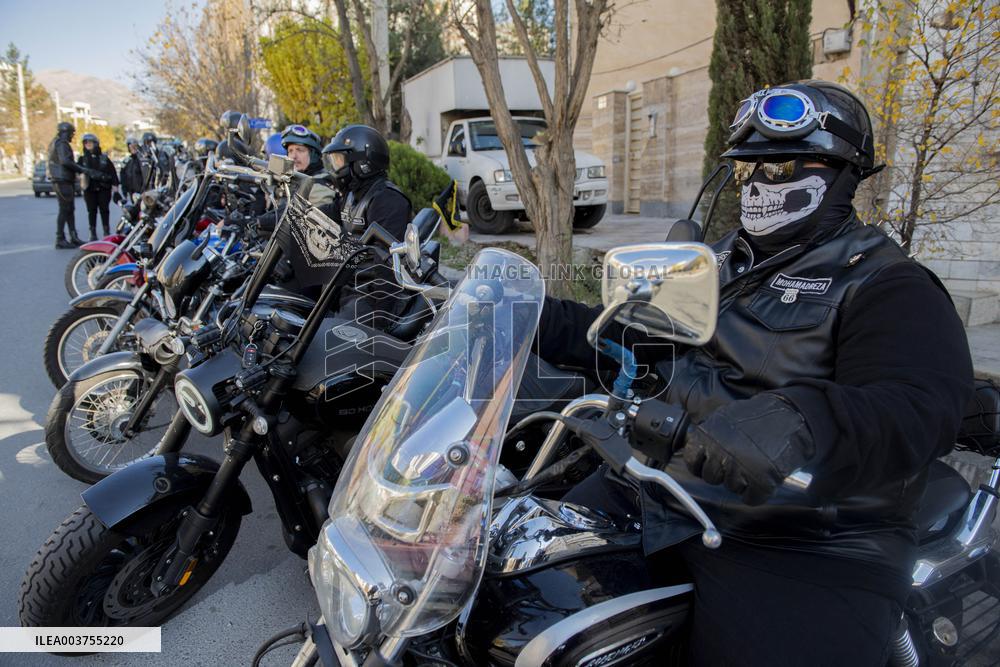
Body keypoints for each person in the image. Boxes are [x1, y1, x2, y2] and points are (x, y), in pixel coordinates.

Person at [536, 80, 974, 665]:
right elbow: (631, 334)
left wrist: (803, 417)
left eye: (784, 165)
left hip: (800, 536)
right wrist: (524, 315)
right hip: (664, 490)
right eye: (749, 170)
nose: (763, 183)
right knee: (522, 587)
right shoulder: (718, 262)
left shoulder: (885, 282)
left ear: (843, 172)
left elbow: (921, 402)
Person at [47, 121, 87, 248]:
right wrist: (81, 169)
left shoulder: (56, 142)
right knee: (65, 209)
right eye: (71, 133)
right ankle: (60, 238)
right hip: (62, 180)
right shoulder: (61, 144)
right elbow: (65, 161)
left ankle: (73, 236)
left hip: (63, 179)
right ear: (66, 132)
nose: (72, 136)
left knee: (69, 209)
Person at [76, 133, 119, 240]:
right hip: (89, 189)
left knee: (104, 210)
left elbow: (112, 172)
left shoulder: (104, 158)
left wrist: (115, 185)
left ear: (95, 143)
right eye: (86, 142)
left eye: (90, 142)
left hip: (104, 188)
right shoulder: (82, 159)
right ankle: (93, 232)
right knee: (92, 211)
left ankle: (106, 231)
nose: (88, 144)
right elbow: (77, 172)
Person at [118, 136, 145, 202]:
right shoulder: (126, 160)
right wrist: (124, 189)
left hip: (142, 190)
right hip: (131, 191)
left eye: (135, 146)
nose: (133, 148)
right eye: (131, 146)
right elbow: (123, 175)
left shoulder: (143, 159)